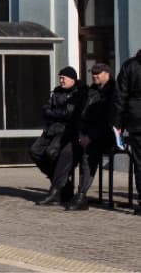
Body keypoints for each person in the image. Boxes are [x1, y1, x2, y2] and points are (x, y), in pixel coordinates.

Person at [31, 66, 86, 205]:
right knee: (34, 151)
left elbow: (69, 113)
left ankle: (56, 191)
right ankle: (61, 182)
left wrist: (53, 112)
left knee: (51, 153)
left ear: (72, 79)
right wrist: (53, 112)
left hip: (66, 131)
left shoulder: (78, 93)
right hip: (51, 129)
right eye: (60, 77)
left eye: (64, 78)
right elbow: (46, 108)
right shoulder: (57, 91)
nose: (61, 80)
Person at [65, 63, 116, 210]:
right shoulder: (91, 91)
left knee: (88, 155)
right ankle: (62, 190)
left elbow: (109, 120)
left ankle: (81, 196)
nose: (94, 75)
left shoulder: (114, 91)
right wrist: (82, 134)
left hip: (105, 136)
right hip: (87, 134)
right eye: (93, 73)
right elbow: (83, 114)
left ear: (107, 73)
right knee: (66, 150)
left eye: (97, 73)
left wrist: (91, 137)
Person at [114, 48, 141, 215]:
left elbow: (120, 97)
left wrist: (118, 124)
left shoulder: (129, 66)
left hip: (137, 120)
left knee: (140, 162)